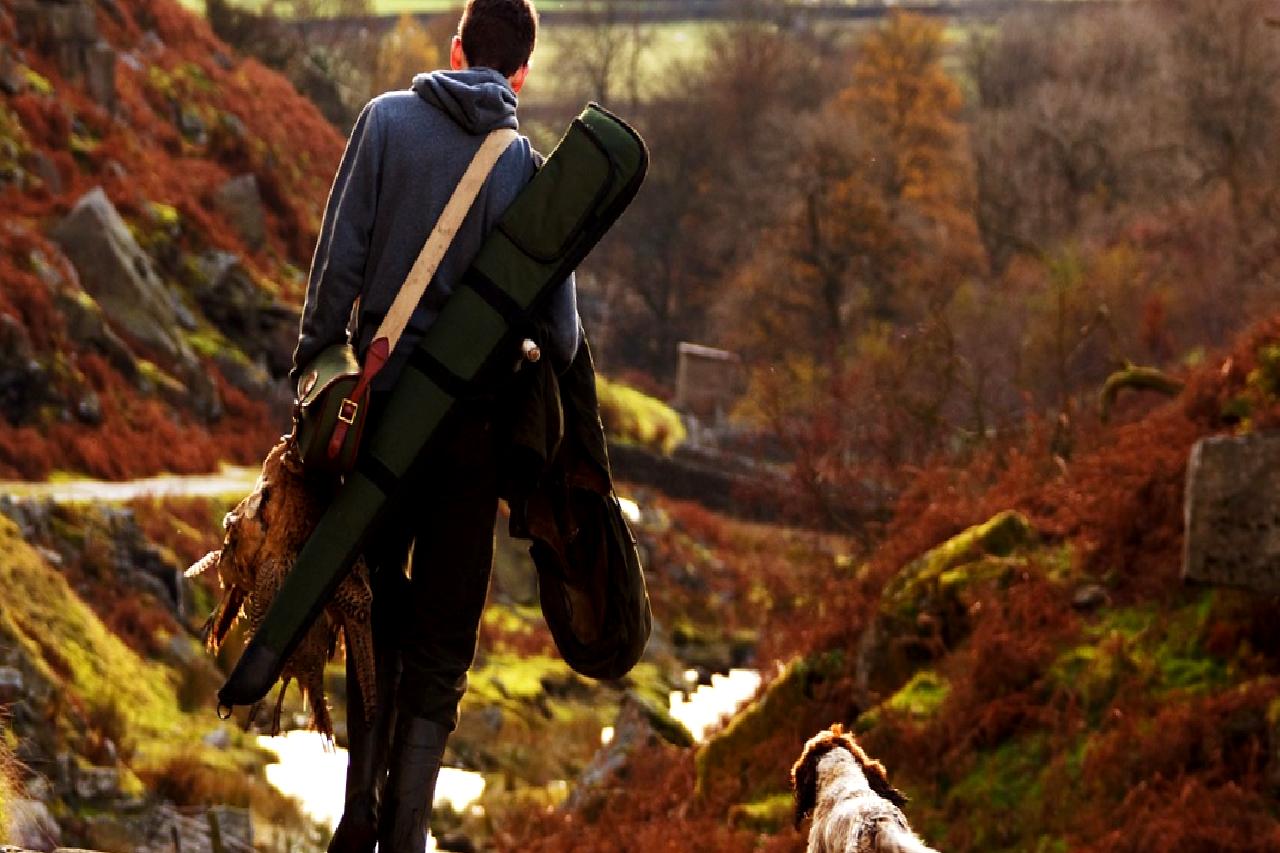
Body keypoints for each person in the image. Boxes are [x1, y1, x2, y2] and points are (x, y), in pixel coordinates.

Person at [288, 1, 579, 850]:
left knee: (372, 611)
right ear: (520, 72)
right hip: (473, 437)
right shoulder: (525, 168)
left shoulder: (383, 122)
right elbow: (558, 335)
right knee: (443, 644)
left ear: (454, 49)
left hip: (380, 420)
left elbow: (335, 268)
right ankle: (407, 834)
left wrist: (315, 375)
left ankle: (356, 812)